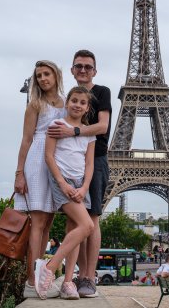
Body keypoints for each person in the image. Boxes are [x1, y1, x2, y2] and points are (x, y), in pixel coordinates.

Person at [48, 50, 112, 298]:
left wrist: (73, 132)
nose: (83, 70)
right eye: (79, 66)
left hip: (94, 160)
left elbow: (103, 126)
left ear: (94, 71)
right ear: (72, 70)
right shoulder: (70, 98)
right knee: (75, 222)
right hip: (68, 167)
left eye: (88, 66)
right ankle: (70, 279)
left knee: (92, 218)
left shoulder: (102, 92)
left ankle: (87, 276)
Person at [35, 86, 97, 300]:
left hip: (80, 184)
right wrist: (62, 184)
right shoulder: (57, 125)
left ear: (87, 108)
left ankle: (68, 282)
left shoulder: (89, 135)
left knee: (75, 231)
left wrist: (84, 187)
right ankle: (49, 267)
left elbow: (89, 164)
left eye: (82, 102)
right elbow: (49, 156)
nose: (77, 105)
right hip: (63, 182)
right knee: (87, 226)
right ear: (67, 102)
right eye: (74, 100)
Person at [14, 60, 65, 299]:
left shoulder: (67, 103)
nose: (43, 78)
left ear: (56, 75)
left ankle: (40, 276)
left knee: (47, 224)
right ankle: (31, 281)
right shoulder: (35, 104)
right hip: (37, 161)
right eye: (39, 75)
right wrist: (19, 172)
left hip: (58, 161)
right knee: (37, 222)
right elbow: (26, 139)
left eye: (47, 74)